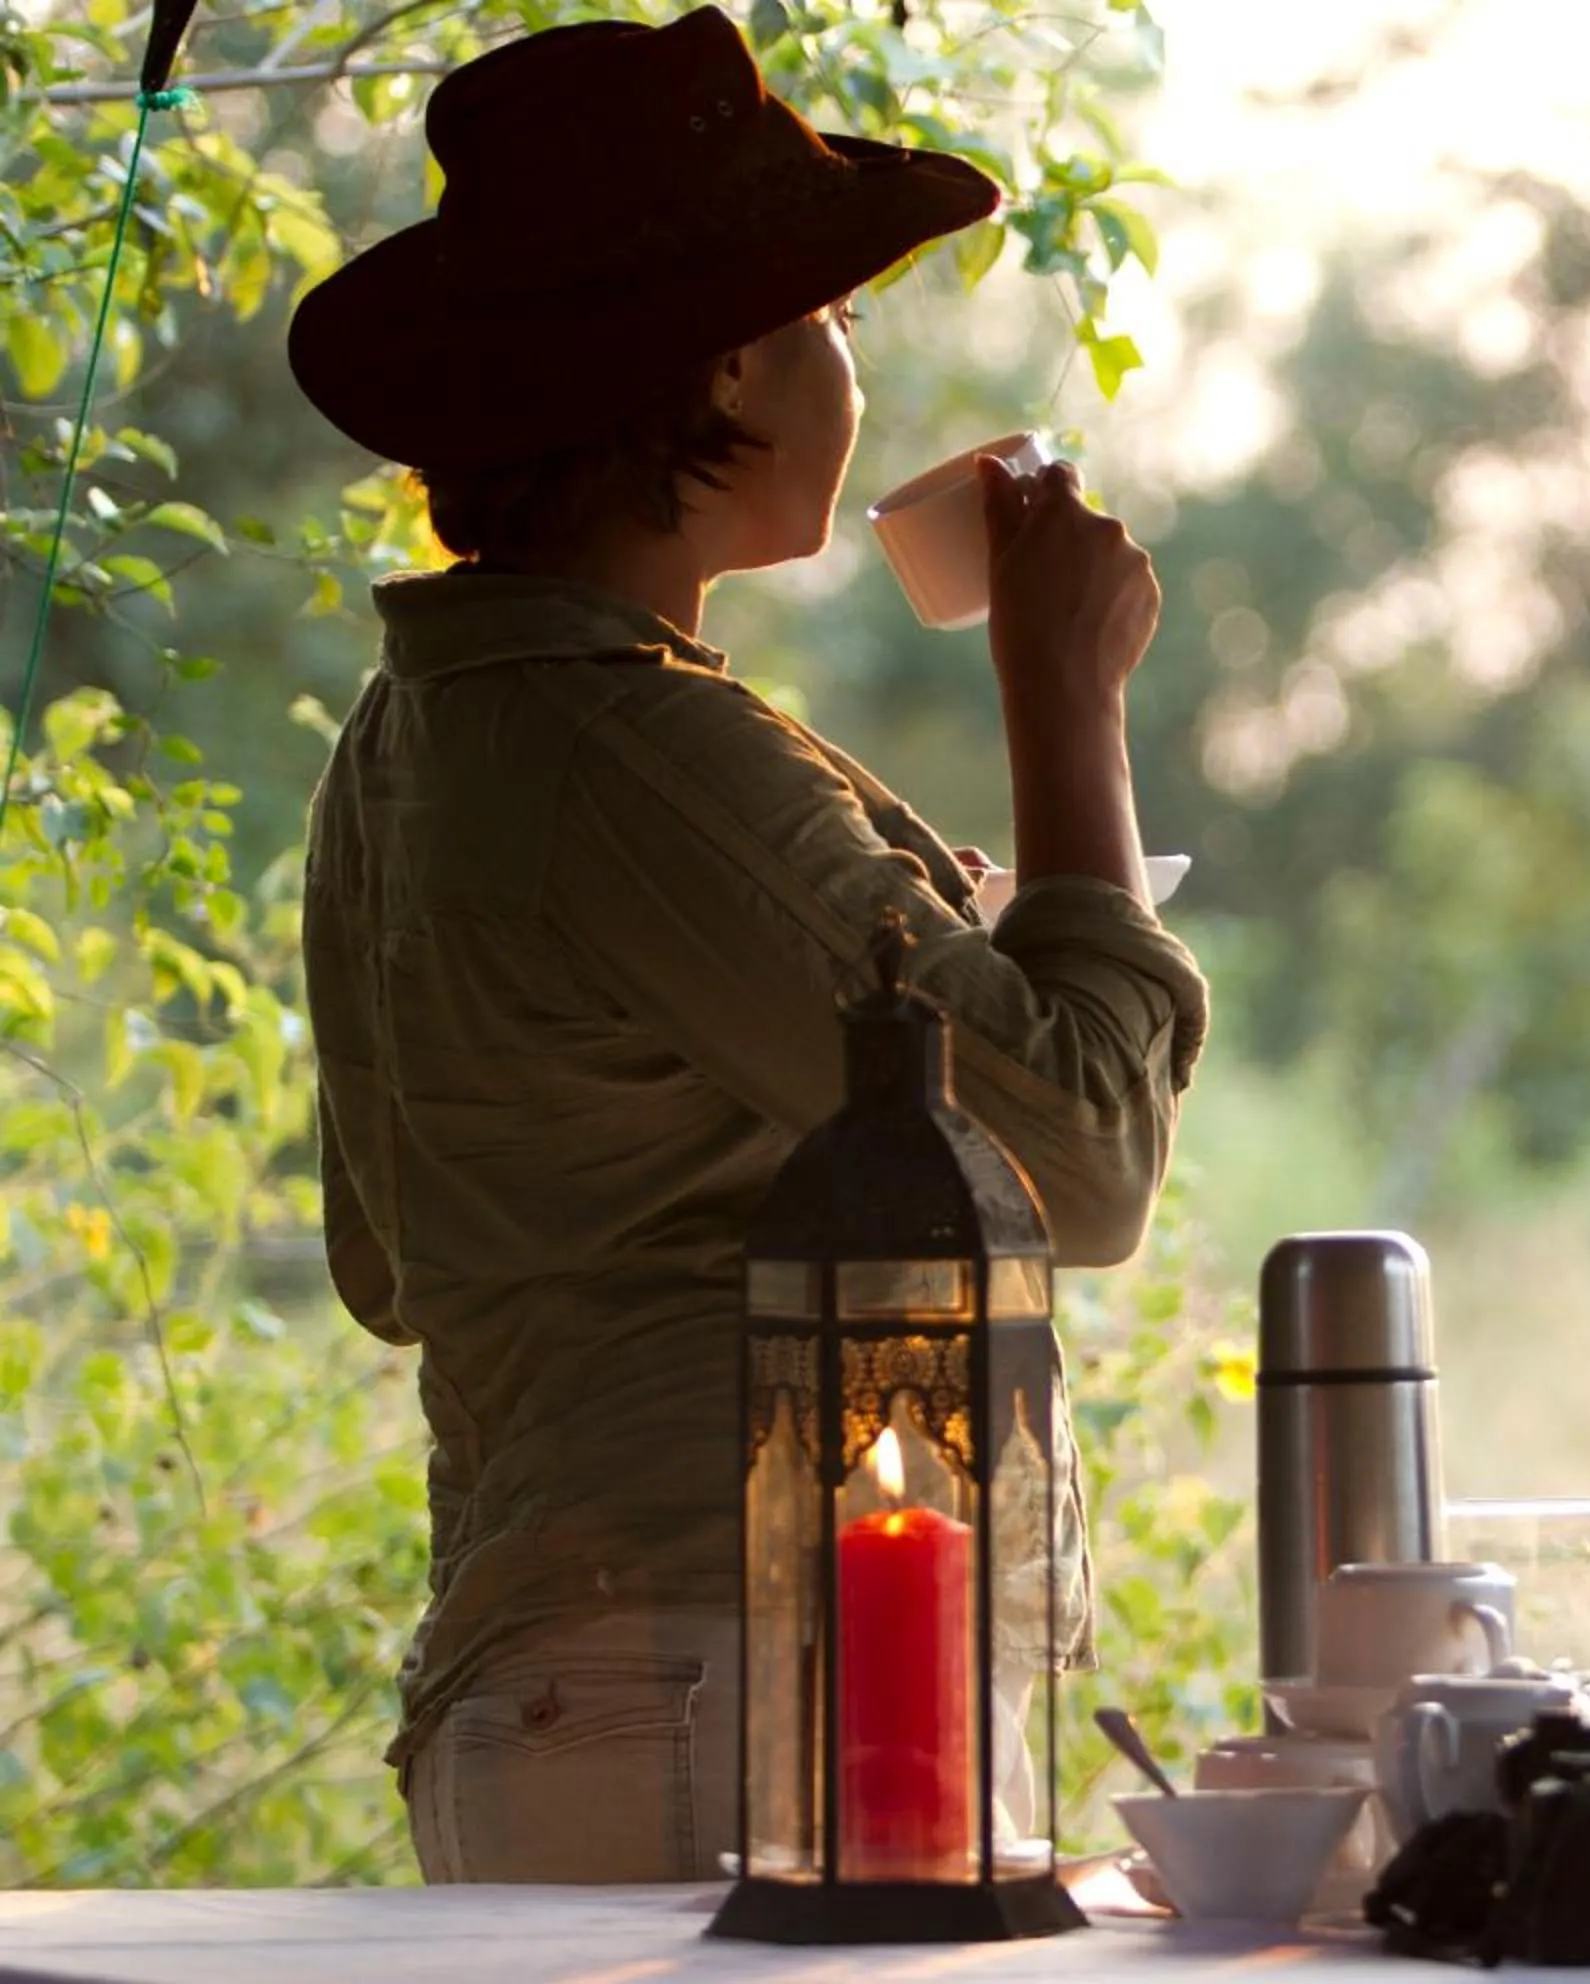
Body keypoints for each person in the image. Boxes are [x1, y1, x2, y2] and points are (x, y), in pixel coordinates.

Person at [284, 8, 1207, 1883]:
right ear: (722, 367)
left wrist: (898, 975)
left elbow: (398, 1258)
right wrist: (1065, 693)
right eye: (833, 324)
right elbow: (1082, 1157)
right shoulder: (624, 741)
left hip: (603, 1681)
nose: (852, 369)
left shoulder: (425, 734)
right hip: (730, 1685)